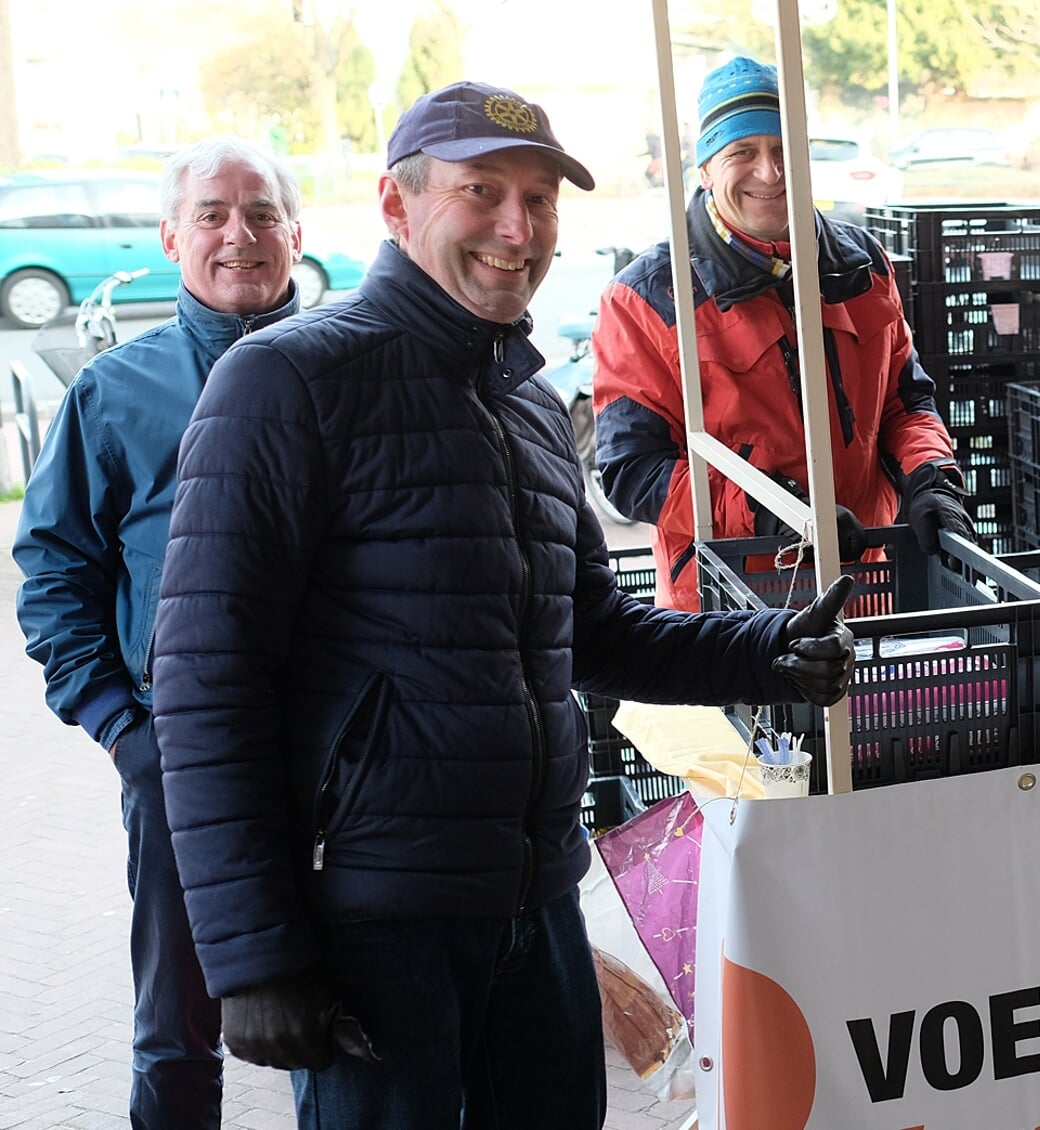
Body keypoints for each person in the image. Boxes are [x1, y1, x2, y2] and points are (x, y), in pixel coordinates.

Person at [149, 82, 857, 1129]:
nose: (517, 228)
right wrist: (253, 955)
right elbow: (206, 681)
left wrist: (760, 649)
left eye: (540, 198)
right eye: (481, 191)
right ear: (398, 205)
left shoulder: (525, 402)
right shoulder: (285, 383)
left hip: (533, 902)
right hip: (377, 921)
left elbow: (595, 631)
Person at [12, 136, 305, 1130]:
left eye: (262, 212)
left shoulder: (361, 373)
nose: (240, 234)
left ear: (297, 233)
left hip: (355, 773)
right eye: (215, 214)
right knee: (179, 1031)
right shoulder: (115, 395)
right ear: (174, 235)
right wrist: (125, 735)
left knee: (358, 1015)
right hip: (181, 767)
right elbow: (54, 576)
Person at [592, 55, 972, 611]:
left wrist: (932, 476)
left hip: (869, 579)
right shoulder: (646, 296)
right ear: (704, 170)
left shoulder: (861, 262)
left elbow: (905, 401)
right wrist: (777, 512)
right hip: (736, 602)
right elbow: (634, 470)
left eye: (784, 149)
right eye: (742, 152)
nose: (769, 173)